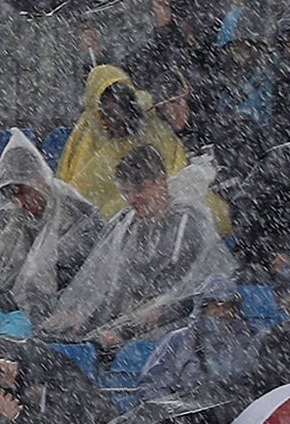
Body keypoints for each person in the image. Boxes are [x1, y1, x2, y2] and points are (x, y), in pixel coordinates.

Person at [45, 146, 236, 350]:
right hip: (133, 318)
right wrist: (83, 312)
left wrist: (127, 328)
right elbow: (108, 280)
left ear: (161, 180)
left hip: (178, 319)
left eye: (140, 189)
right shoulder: (127, 223)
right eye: (126, 192)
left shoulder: (188, 222)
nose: (132, 199)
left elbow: (184, 290)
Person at [0, 129, 104, 322]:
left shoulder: (78, 215)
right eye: (13, 197)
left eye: (23, 192)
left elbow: (76, 272)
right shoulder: (6, 220)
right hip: (10, 317)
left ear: (39, 180)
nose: (20, 203)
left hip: (66, 311)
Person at [57, 64, 195, 220]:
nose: (113, 119)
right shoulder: (87, 141)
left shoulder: (151, 123)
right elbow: (79, 193)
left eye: (118, 109)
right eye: (107, 113)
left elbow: (174, 170)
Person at [139, 273, 263, 401]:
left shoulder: (249, 339)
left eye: (227, 307)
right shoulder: (178, 340)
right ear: (202, 308)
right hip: (187, 415)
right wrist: (178, 410)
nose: (221, 313)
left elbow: (258, 384)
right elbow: (153, 387)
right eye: (215, 306)